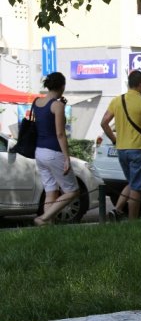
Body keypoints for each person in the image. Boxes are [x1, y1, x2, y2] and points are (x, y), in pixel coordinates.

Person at [100, 70, 141, 221]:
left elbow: (104, 123)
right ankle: (132, 221)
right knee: (137, 186)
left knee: (132, 182)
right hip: (138, 149)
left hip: (121, 149)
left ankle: (117, 210)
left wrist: (114, 139)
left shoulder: (117, 100)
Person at [32, 72, 80, 226]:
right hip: (54, 152)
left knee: (51, 191)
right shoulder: (57, 105)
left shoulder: (37, 102)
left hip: (39, 152)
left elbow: (48, 122)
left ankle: (48, 227)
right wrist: (67, 158)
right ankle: (44, 218)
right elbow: (60, 133)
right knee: (73, 191)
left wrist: (62, 106)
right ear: (62, 86)